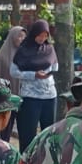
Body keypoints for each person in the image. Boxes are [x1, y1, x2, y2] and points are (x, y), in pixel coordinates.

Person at [12, 20, 59, 150]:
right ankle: (26, 161)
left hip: (49, 95)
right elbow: (14, 71)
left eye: (45, 36)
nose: (42, 38)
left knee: (49, 132)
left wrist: (47, 73)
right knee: (28, 132)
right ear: (34, 34)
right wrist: (33, 75)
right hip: (30, 96)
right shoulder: (23, 50)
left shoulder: (49, 49)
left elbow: (55, 66)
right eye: (40, 35)